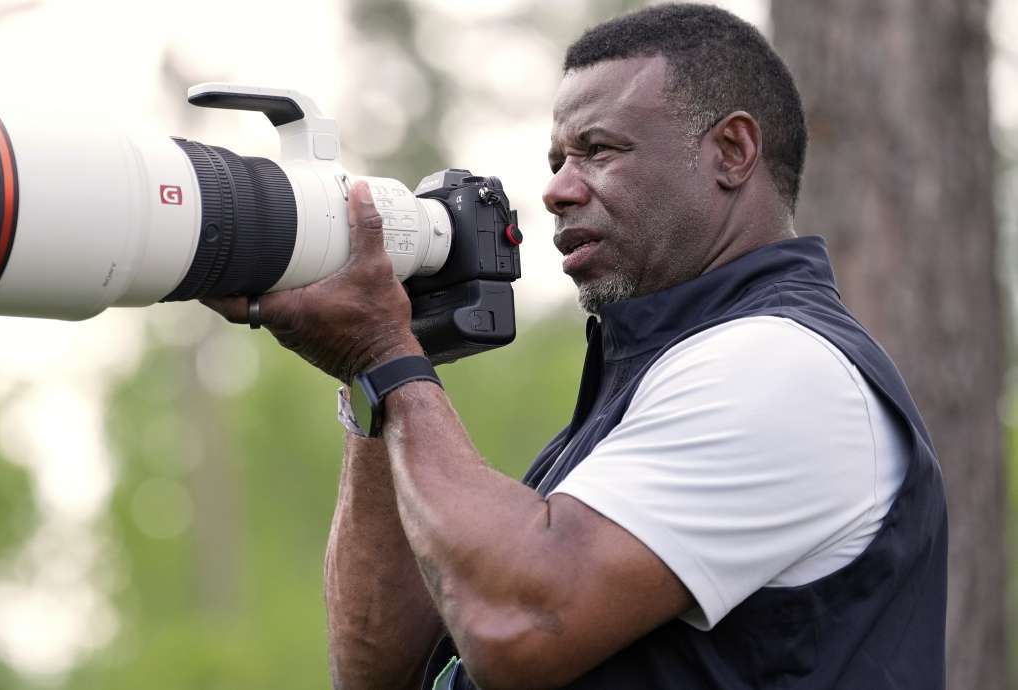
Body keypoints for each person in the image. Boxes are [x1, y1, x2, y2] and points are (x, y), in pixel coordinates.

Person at [204, 4, 948, 689]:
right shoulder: (647, 386)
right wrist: (376, 377)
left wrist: (382, 351)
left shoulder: (783, 368)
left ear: (732, 150)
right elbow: (379, 669)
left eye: (597, 150)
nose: (558, 190)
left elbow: (519, 623)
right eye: (556, 159)